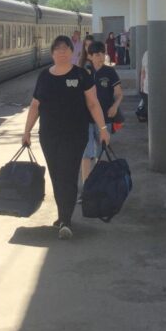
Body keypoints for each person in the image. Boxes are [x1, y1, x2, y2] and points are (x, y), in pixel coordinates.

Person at [22, 35, 109, 239]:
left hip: (75, 134)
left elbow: (93, 103)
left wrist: (103, 128)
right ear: (52, 53)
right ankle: (63, 213)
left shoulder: (81, 75)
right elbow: (35, 106)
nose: (61, 52)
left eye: (65, 48)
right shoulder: (44, 76)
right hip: (49, 136)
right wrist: (26, 131)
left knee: (69, 174)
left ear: (73, 52)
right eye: (57, 49)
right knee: (56, 174)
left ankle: (65, 221)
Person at [82, 41, 123, 185]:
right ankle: (87, 187)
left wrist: (115, 106)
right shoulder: (84, 73)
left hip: (105, 120)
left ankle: (100, 186)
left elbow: (119, 93)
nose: (101, 57)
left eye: (103, 54)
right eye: (97, 54)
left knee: (102, 153)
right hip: (86, 120)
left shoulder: (110, 72)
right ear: (90, 56)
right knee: (86, 155)